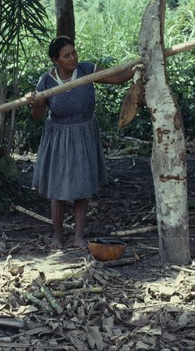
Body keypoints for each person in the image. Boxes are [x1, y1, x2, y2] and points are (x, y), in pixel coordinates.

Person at [29, 35, 133, 249]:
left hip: (84, 133)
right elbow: (38, 116)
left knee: (82, 187)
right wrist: (35, 103)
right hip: (58, 137)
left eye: (74, 52)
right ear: (55, 60)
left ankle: (78, 236)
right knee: (58, 190)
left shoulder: (86, 70)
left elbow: (116, 77)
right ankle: (57, 236)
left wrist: (139, 66)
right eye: (66, 56)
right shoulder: (46, 81)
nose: (72, 58)